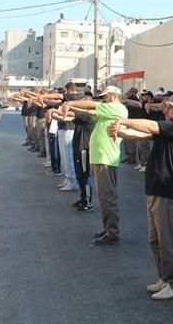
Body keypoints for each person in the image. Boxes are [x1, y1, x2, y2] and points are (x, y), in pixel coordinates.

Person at [110, 95, 173, 300]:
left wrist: (122, 121)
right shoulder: (168, 129)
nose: (165, 110)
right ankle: (165, 278)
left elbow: (149, 125)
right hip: (157, 191)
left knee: (170, 241)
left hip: (170, 193)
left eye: (169, 107)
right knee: (156, 240)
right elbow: (140, 134)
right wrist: (119, 132)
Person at [63, 86, 128, 245]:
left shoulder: (117, 108)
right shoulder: (109, 111)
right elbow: (90, 112)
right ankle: (108, 228)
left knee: (108, 197)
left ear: (114, 96)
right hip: (100, 157)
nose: (103, 99)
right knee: (104, 197)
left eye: (106, 96)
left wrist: (71, 104)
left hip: (106, 158)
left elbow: (92, 106)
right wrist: (73, 108)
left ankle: (112, 232)